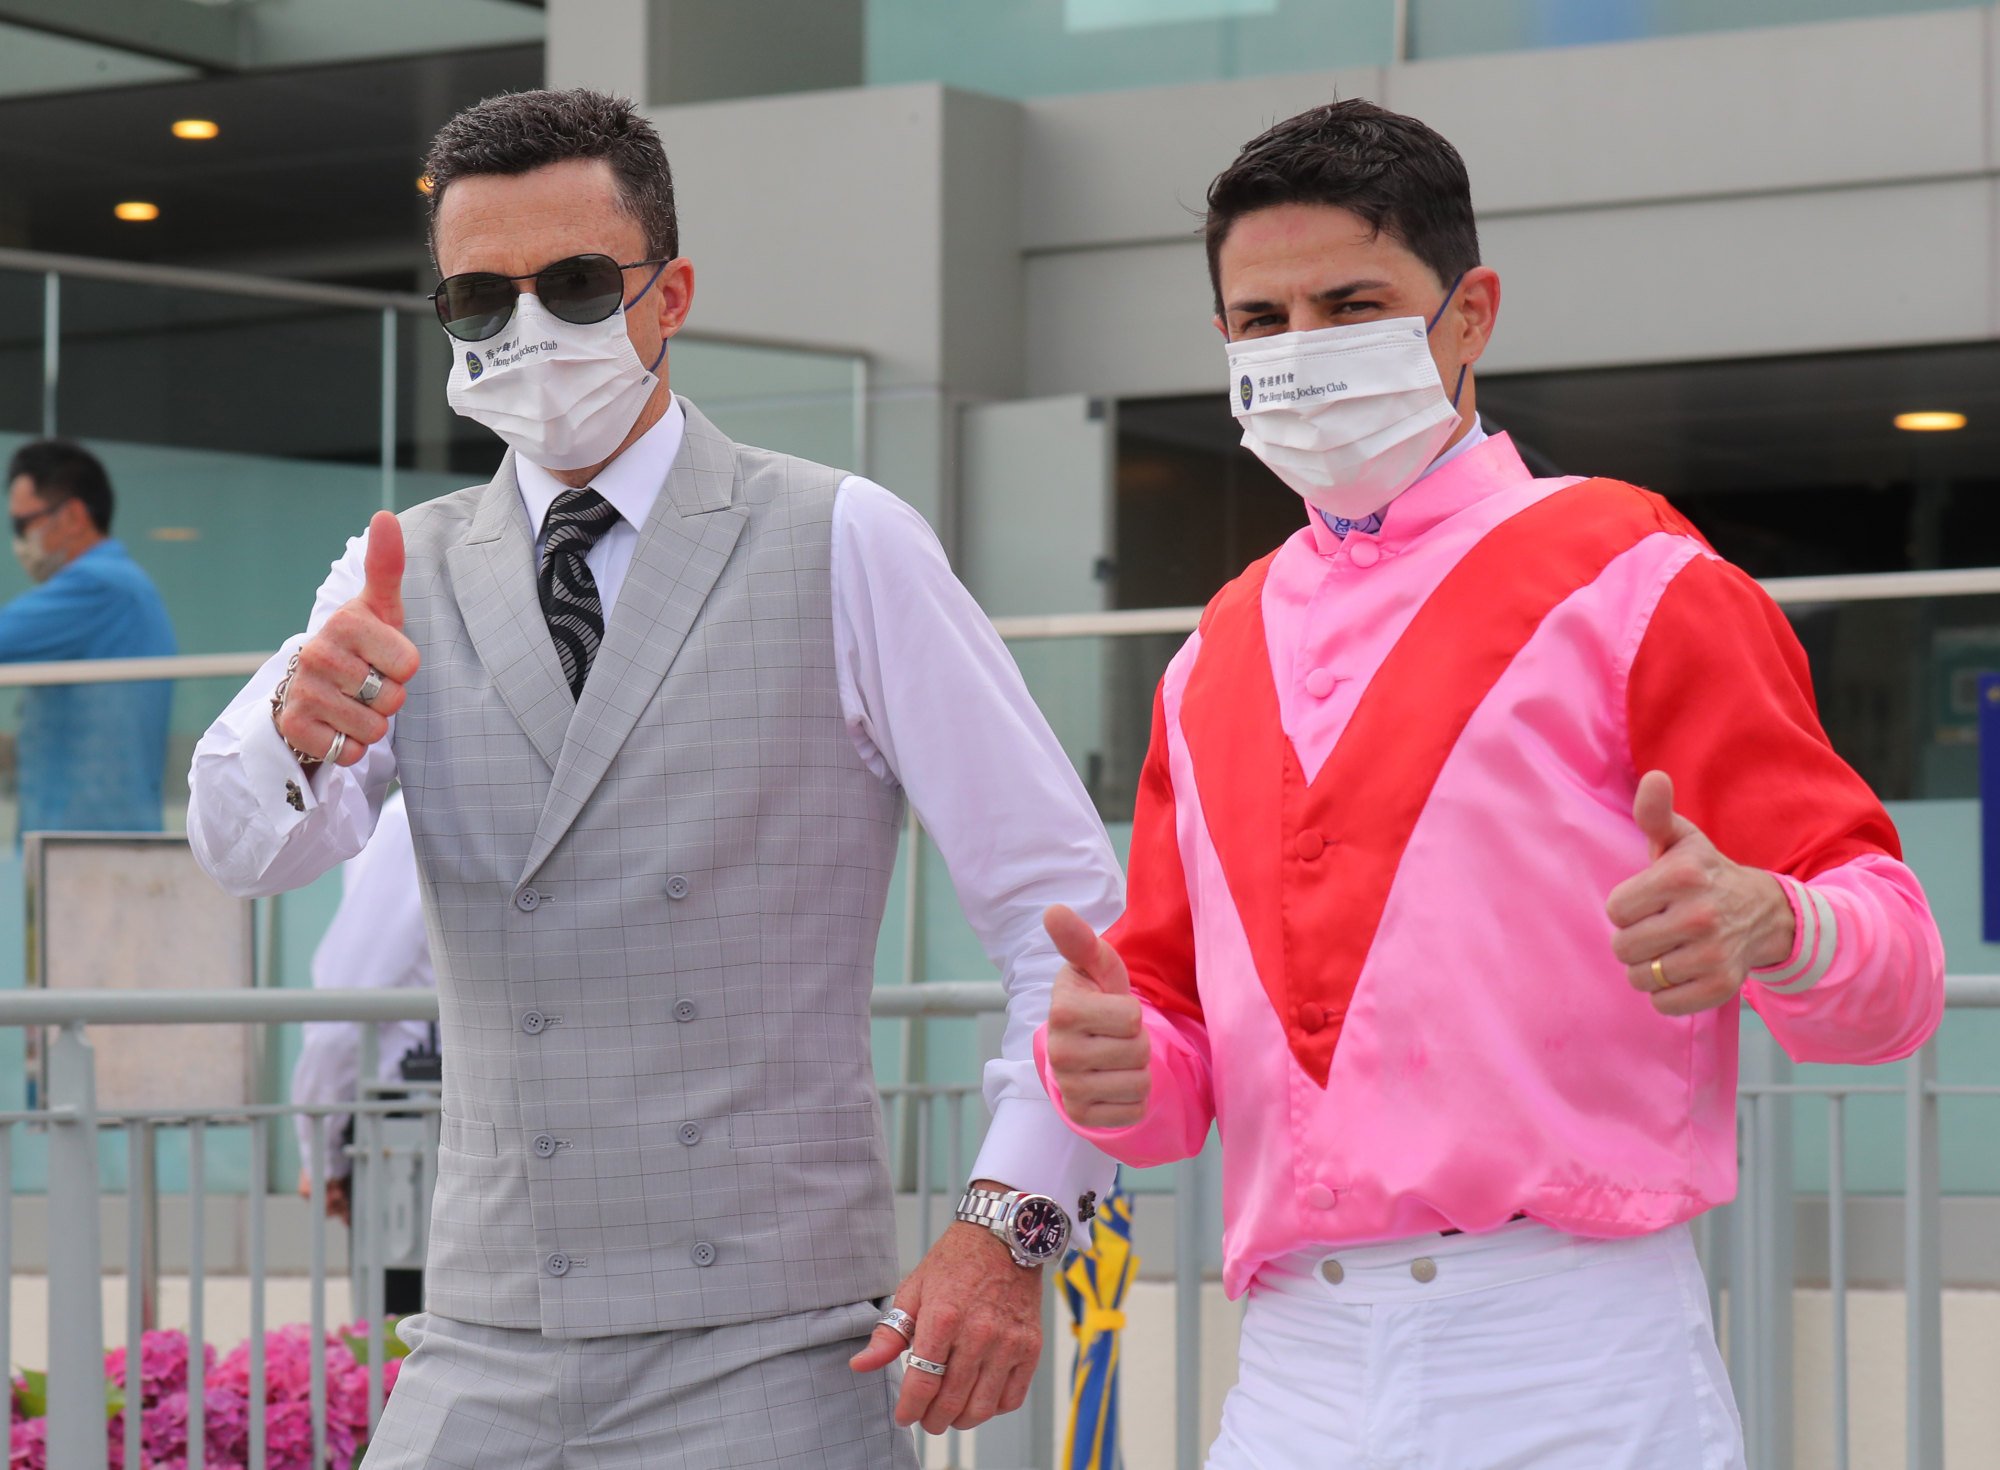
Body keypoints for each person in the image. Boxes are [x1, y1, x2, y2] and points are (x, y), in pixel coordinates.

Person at [187, 89, 1120, 1468]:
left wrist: (1010, 1225)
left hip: (774, 1341)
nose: (528, 330)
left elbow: (1070, 918)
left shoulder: (841, 537)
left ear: (668, 293)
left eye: (572, 284)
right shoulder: (402, 567)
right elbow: (239, 845)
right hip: (485, 1328)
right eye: (478, 300)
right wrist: (295, 721)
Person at [1037, 100, 1945, 1470]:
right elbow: (1171, 1063)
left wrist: (1779, 921)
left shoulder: (1639, 574)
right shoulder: (1207, 655)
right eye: (1259, 320)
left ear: (1470, 315)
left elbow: (1900, 970)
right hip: (1289, 1370)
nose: (1299, 351)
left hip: (1570, 1354)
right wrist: (1107, 1067)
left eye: (1350, 303)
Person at [290, 787, 436, 1315]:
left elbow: (345, 1007)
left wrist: (320, 1149)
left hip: (411, 1125)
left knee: (398, 1354)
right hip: (442, 1114)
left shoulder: (409, 817)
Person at [1, 441, 175, 836]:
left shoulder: (100, 587)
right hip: (85, 845)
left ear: (75, 516)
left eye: (22, 524)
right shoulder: (122, 589)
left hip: (90, 849)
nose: (18, 541)